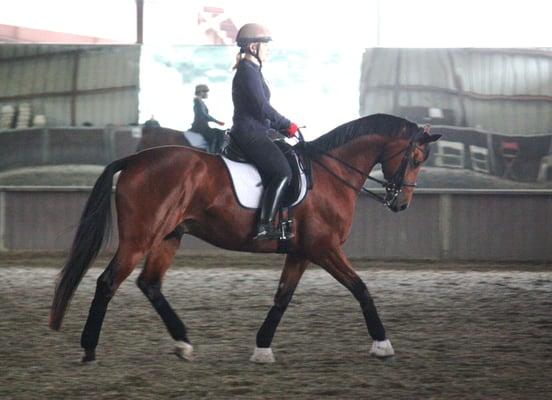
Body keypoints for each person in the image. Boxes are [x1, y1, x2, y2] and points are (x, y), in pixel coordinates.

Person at [229, 23, 299, 240]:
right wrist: (286, 124)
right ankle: (264, 225)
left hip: (257, 130)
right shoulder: (247, 72)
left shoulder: (252, 71)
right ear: (252, 47)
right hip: (249, 133)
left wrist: (277, 128)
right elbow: (262, 107)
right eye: (265, 45)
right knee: (283, 172)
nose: (268, 50)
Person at [190, 84, 225, 152]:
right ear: (200, 92)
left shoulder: (199, 101)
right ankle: (211, 154)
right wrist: (216, 121)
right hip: (200, 125)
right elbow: (204, 114)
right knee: (214, 136)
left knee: (218, 133)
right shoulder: (198, 101)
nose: (206, 94)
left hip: (202, 124)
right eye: (205, 92)